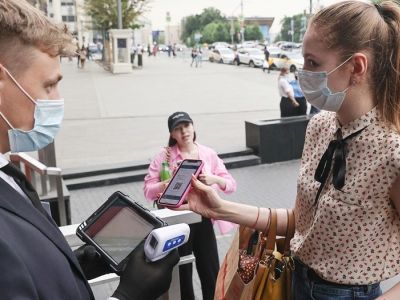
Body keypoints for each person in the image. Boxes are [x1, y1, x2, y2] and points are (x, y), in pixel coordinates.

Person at [177, 1, 400, 299]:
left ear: (356, 67)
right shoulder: (319, 126)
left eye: (313, 62)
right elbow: (301, 222)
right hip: (293, 280)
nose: (301, 73)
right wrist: (220, 208)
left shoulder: (392, 153)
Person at [0, 1, 179, 299]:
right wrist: (128, 296)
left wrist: (75, 264)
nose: (57, 100)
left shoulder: (9, 173)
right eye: (48, 86)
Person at [144, 111, 237, 300]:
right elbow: (147, 190)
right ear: (172, 134)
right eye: (178, 128)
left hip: (203, 217)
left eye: (186, 126)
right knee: (182, 272)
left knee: (210, 269)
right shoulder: (164, 156)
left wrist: (214, 179)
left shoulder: (208, 153)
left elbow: (231, 184)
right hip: (177, 219)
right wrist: (167, 182)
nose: (184, 131)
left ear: (193, 127)